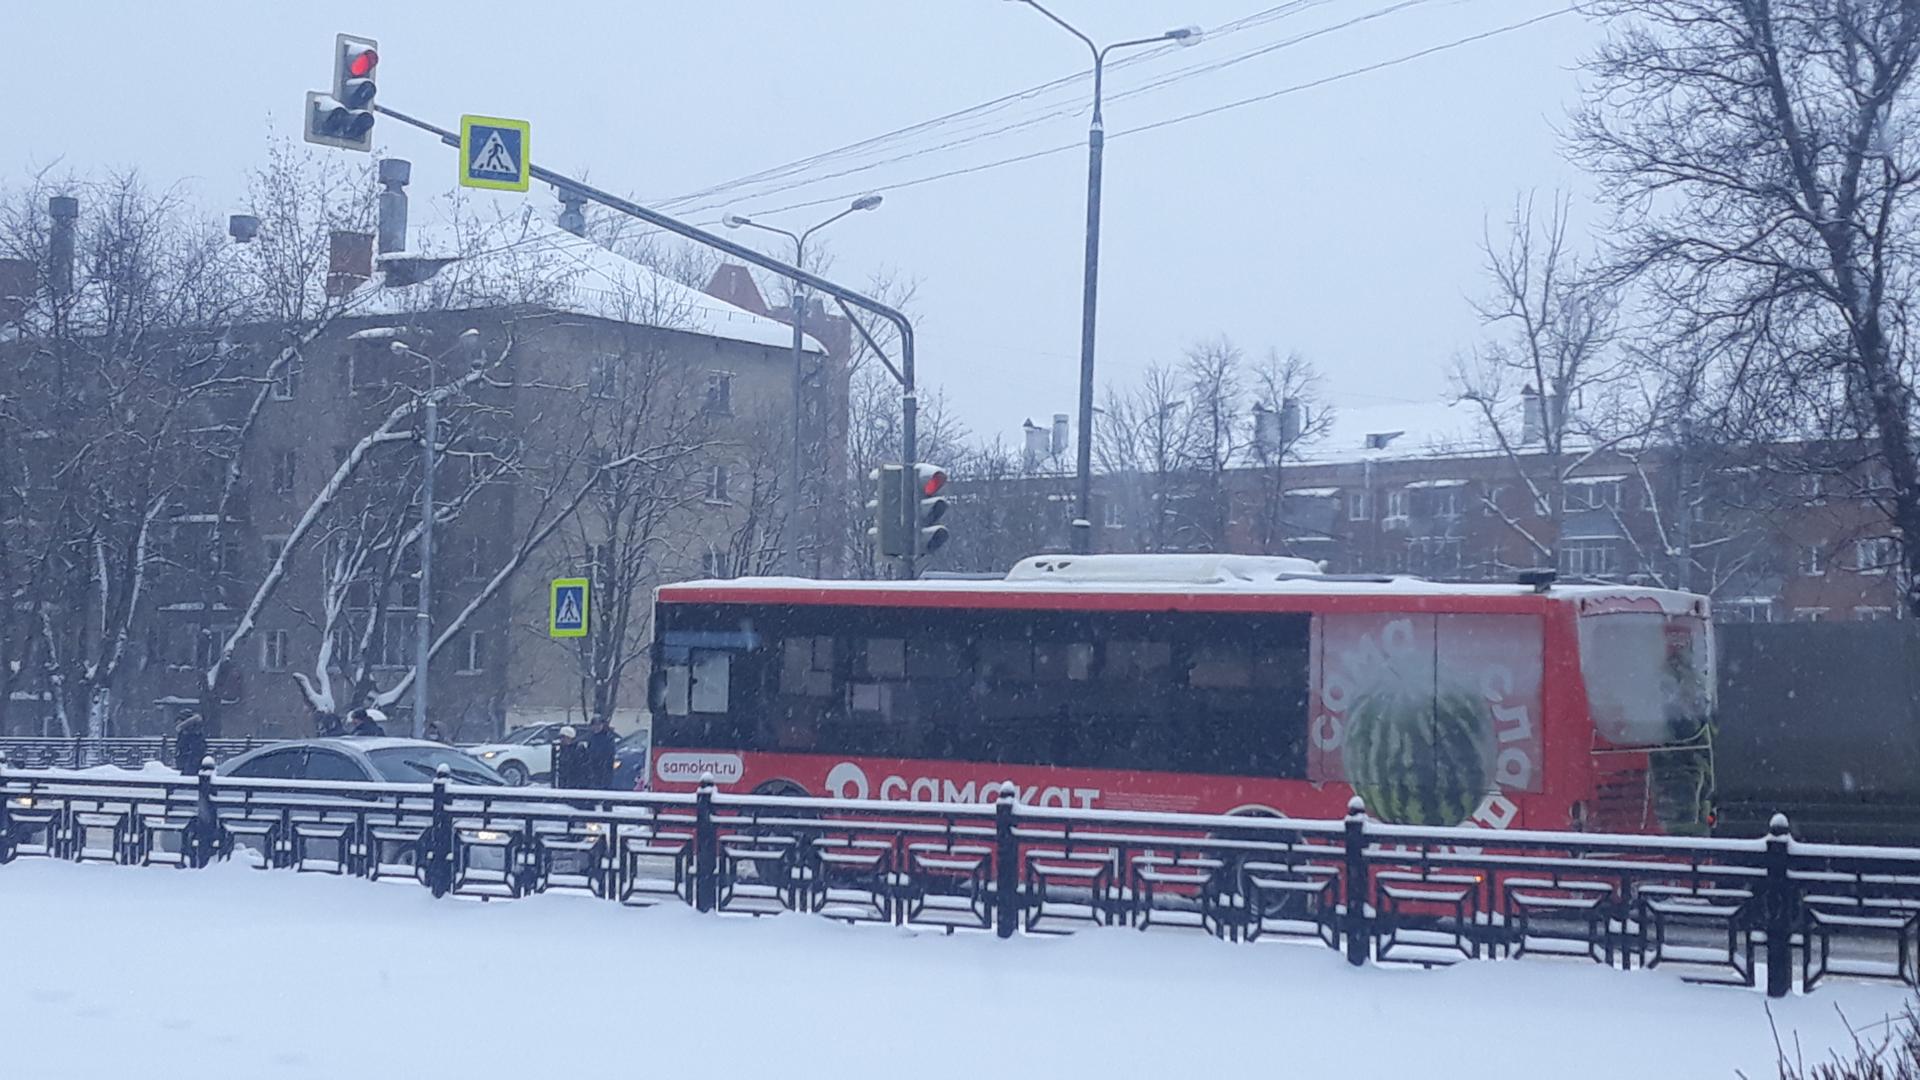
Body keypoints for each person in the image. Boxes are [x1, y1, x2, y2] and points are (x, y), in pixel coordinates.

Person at [585, 714, 617, 790]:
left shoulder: (608, 737)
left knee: (604, 787)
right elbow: (589, 751)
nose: (596, 727)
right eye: (594, 725)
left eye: (598, 724)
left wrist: (604, 761)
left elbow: (610, 753)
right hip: (593, 768)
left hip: (604, 767)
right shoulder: (591, 737)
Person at [551, 726, 588, 790]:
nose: (562, 740)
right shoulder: (560, 749)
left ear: (570, 738)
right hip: (563, 782)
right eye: (561, 737)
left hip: (575, 783)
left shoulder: (578, 749)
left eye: (564, 737)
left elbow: (580, 768)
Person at [173, 710, 208, 776]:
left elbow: (195, 751)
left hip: (191, 764)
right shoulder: (192, 735)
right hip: (189, 762)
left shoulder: (191, 736)